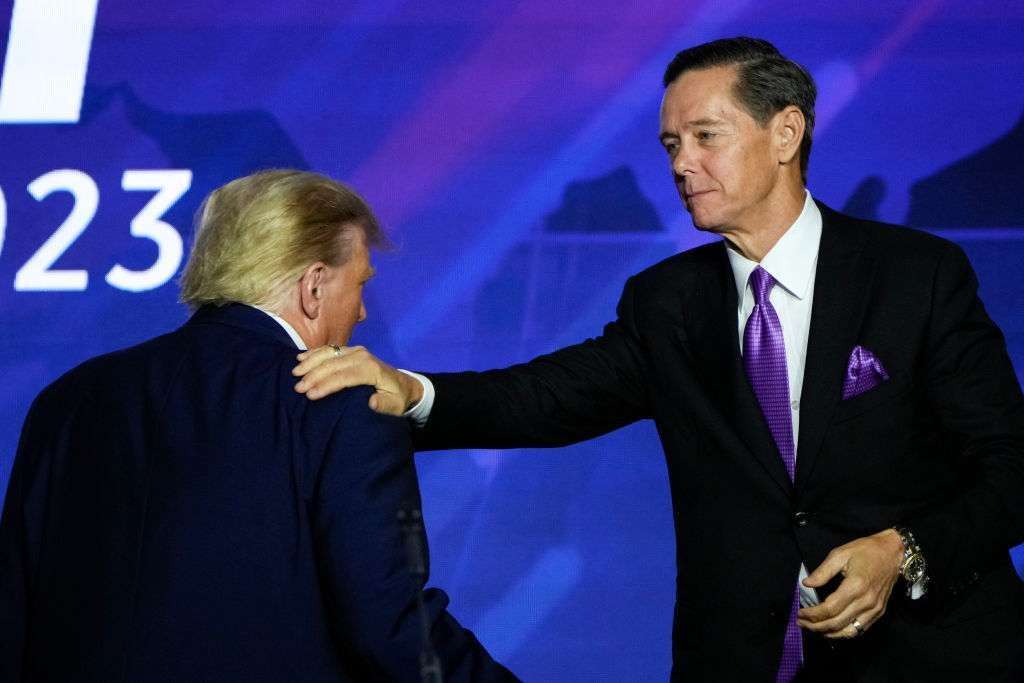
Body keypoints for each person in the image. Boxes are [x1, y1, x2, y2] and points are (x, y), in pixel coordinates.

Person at [293, 38, 1024, 681]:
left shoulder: (915, 276)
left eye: (706, 136)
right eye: (671, 145)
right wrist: (410, 389)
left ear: (785, 133)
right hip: (740, 659)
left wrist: (905, 552)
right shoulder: (667, 301)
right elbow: (551, 395)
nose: (684, 164)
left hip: (927, 654)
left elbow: (1012, 466)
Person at [0, 170, 518, 682]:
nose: (361, 312)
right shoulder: (339, 405)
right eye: (360, 284)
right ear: (314, 285)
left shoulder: (69, 398)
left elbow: (14, 607)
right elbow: (390, 626)